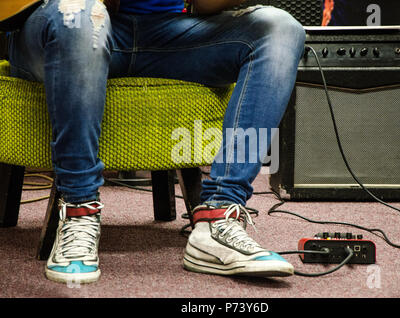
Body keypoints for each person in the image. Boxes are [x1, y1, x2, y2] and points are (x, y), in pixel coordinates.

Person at [8, 0, 305, 283]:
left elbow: (205, 5)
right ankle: (78, 210)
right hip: (65, 25)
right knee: (80, 13)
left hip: (167, 33)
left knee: (280, 28)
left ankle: (219, 218)